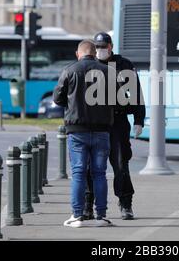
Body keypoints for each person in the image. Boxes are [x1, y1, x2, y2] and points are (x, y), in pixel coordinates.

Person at [84, 32, 145, 220]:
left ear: (111, 46)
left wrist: (139, 120)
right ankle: (88, 205)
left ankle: (126, 204)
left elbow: (135, 93)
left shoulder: (124, 65)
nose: (101, 50)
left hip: (117, 122)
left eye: (104, 46)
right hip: (96, 123)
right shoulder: (89, 66)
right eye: (98, 47)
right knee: (91, 166)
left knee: (120, 164)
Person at [53, 39, 114, 228]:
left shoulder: (69, 71)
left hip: (77, 130)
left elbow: (57, 98)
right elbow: (119, 99)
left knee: (78, 172)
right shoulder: (108, 72)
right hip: (102, 129)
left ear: (78, 54)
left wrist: (72, 105)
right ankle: (101, 216)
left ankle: (77, 216)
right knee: (100, 173)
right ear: (95, 54)